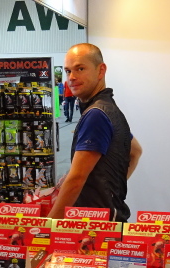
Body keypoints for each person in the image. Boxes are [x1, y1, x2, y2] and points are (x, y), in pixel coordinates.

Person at [48, 44, 143, 222]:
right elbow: (136, 151)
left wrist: (47, 228)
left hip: (95, 227)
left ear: (101, 71)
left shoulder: (96, 114)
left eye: (80, 69)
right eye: (68, 71)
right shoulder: (109, 108)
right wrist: (111, 191)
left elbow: (76, 179)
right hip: (108, 221)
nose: (72, 77)